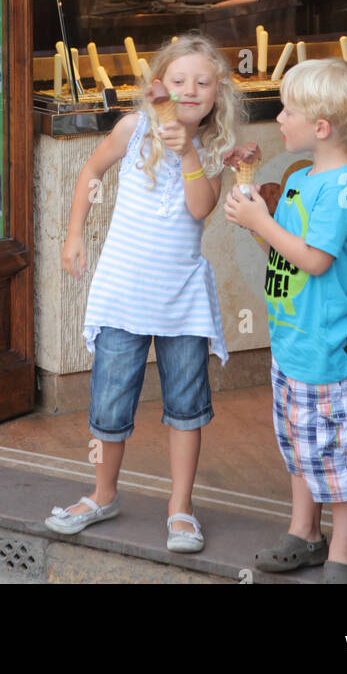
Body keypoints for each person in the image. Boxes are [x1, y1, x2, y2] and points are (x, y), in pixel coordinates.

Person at [45, 32, 241, 553]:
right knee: (109, 405)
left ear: (217, 94)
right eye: (178, 81)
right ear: (161, 86)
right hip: (121, 294)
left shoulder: (214, 150)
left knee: (186, 406)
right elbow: (91, 171)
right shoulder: (132, 130)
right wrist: (72, 236)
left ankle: (180, 508)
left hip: (181, 301)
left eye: (202, 82)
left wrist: (189, 154)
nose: (190, 89)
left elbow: (200, 208)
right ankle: (102, 493)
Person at [226, 58, 347, 584]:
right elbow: (282, 246)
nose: (279, 116)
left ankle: (345, 551)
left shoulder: (342, 187)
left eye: (288, 108)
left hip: (328, 349)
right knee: (299, 444)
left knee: (339, 454)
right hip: (291, 343)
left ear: (321, 127)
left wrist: (262, 222)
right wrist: (252, 208)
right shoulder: (300, 180)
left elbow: (314, 259)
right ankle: (305, 532)